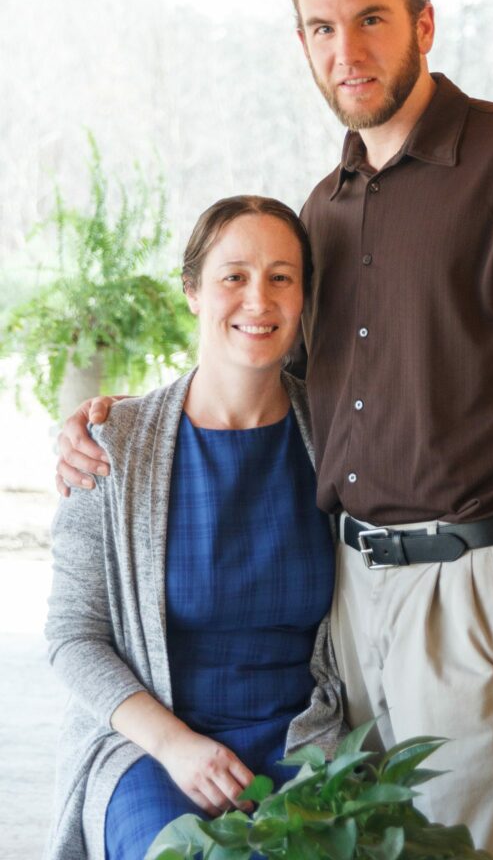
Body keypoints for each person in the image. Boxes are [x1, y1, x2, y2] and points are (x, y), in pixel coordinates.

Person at [57, 0, 493, 860]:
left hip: (477, 581)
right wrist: (112, 420)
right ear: (303, 44)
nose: (347, 50)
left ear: (424, 23)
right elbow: (279, 367)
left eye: (370, 19)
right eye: (322, 28)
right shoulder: (325, 207)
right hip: (351, 600)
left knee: (479, 846)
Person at [45, 196, 344, 860]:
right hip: (152, 746)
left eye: (281, 277)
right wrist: (176, 747)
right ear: (191, 292)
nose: (258, 300)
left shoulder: (335, 440)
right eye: (233, 276)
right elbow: (72, 635)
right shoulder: (112, 445)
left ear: (304, 297)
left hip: (300, 742)